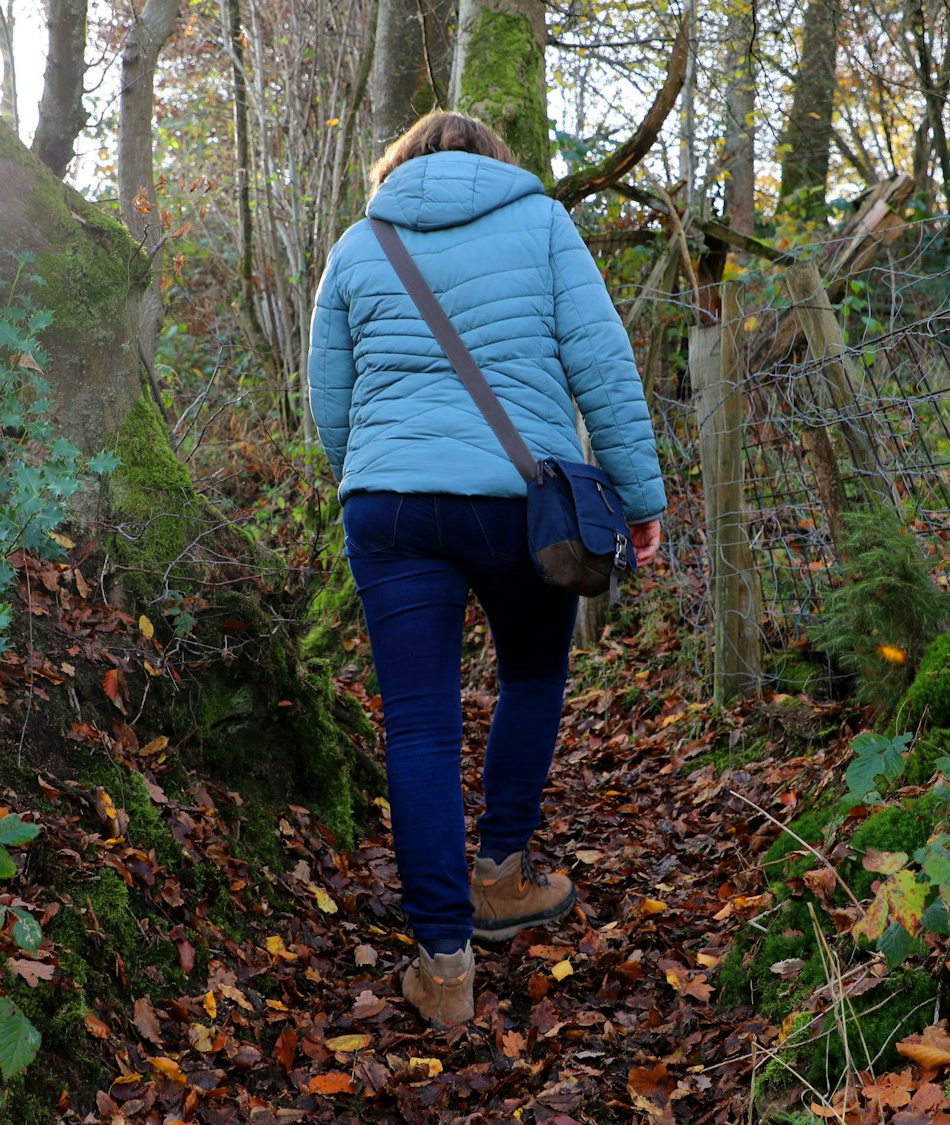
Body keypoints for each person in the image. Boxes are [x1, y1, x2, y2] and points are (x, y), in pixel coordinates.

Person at [307, 111, 665, 1028]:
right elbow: (602, 361)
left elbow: (329, 397)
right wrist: (640, 497)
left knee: (419, 725)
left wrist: (376, 475)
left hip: (387, 505)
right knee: (534, 673)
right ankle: (501, 874)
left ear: (399, 164)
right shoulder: (541, 222)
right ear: (492, 166)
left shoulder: (360, 242)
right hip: (520, 502)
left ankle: (446, 965)